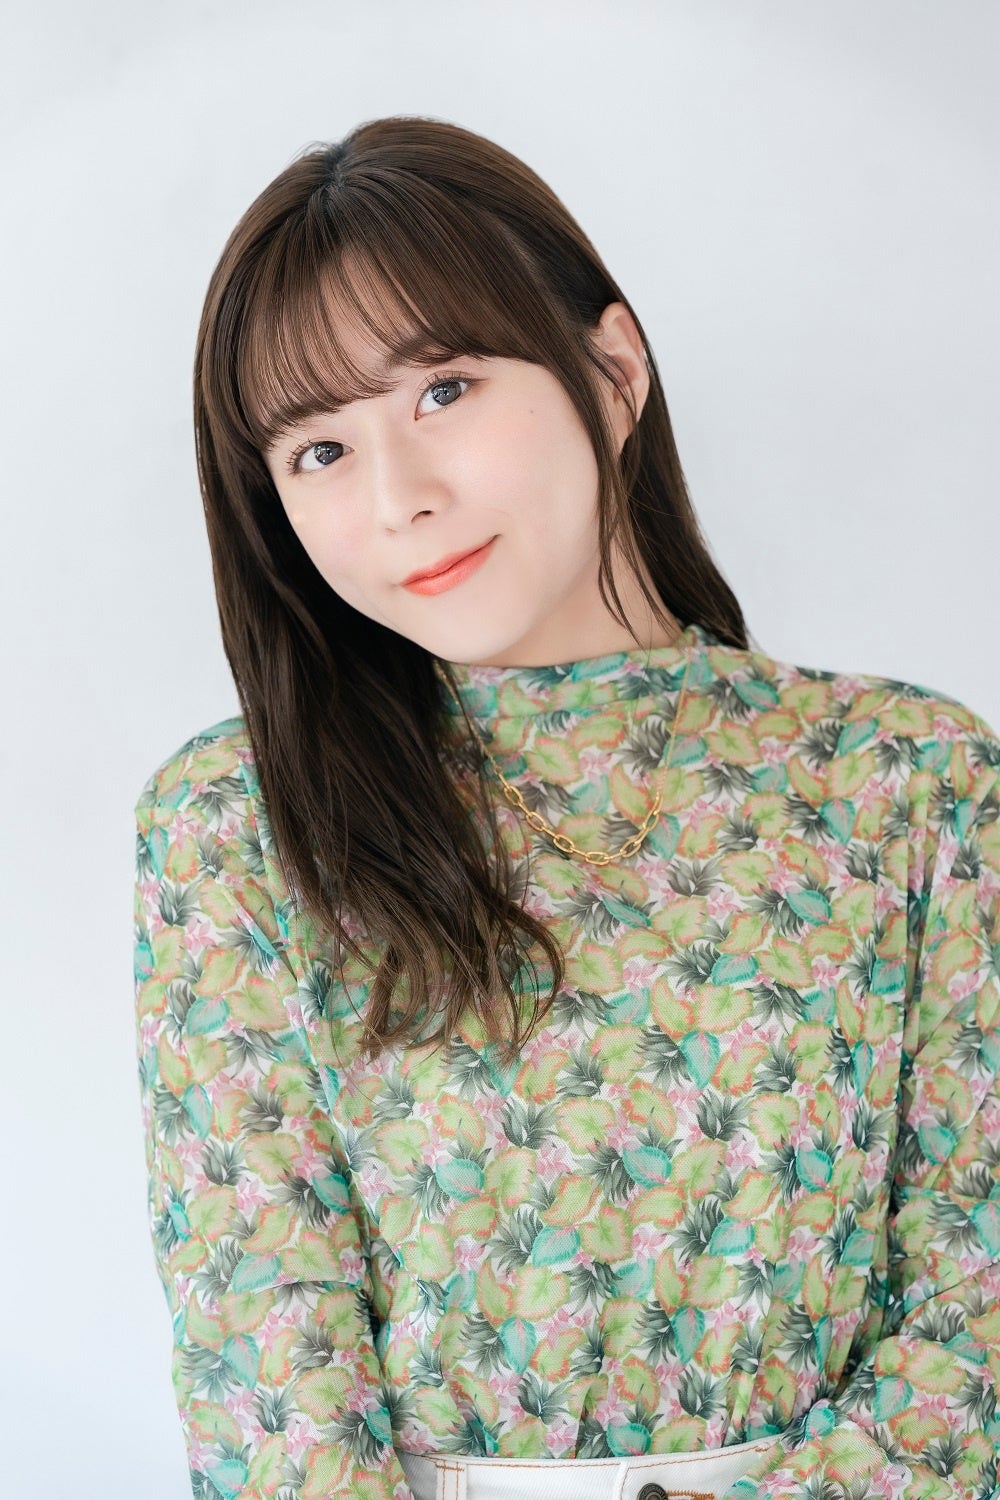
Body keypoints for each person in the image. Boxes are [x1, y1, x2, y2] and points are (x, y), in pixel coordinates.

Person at [133, 115, 1000, 1500]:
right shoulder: (238, 824)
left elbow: (978, 1312)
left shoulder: (912, 782)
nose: (401, 499)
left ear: (613, 370)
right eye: (319, 451)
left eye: (444, 390)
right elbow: (267, 1376)